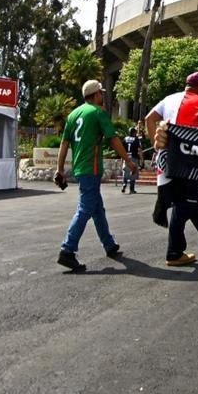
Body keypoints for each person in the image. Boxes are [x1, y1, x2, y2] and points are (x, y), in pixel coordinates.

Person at [55, 80, 139, 271]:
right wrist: (129, 161)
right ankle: (67, 250)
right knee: (85, 208)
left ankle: (109, 244)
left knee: (97, 208)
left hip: (80, 168)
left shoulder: (73, 114)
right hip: (91, 168)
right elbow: (113, 139)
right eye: (101, 93)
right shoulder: (98, 113)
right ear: (95, 95)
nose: (103, 96)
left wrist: (59, 169)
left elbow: (64, 143)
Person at [148, 72, 198, 266]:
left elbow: (149, 118)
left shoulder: (170, 99)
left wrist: (156, 145)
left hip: (167, 160)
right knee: (184, 204)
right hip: (188, 163)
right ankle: (174, 253)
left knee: (192, 200)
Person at [121, 126, 143, 194]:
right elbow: (139, 150)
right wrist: (142, 160)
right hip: (134, 157)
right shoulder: (136, 139)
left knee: (126, 171)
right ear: (134, 133)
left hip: (126, 157)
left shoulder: (125, 139)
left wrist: (122, 158)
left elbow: (122, 149)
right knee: (133, 172)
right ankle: (131, 188)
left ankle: (124, 184)